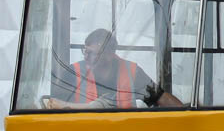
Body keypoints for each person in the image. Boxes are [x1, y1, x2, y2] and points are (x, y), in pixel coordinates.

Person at [43, 29, 177, 109]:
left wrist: (188, 113)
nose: (87, 56)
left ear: (110, 54)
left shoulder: (132, 71)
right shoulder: (72, 73)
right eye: (86, 51)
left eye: (93, 53)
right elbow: (53, 105)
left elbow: (161, 97)